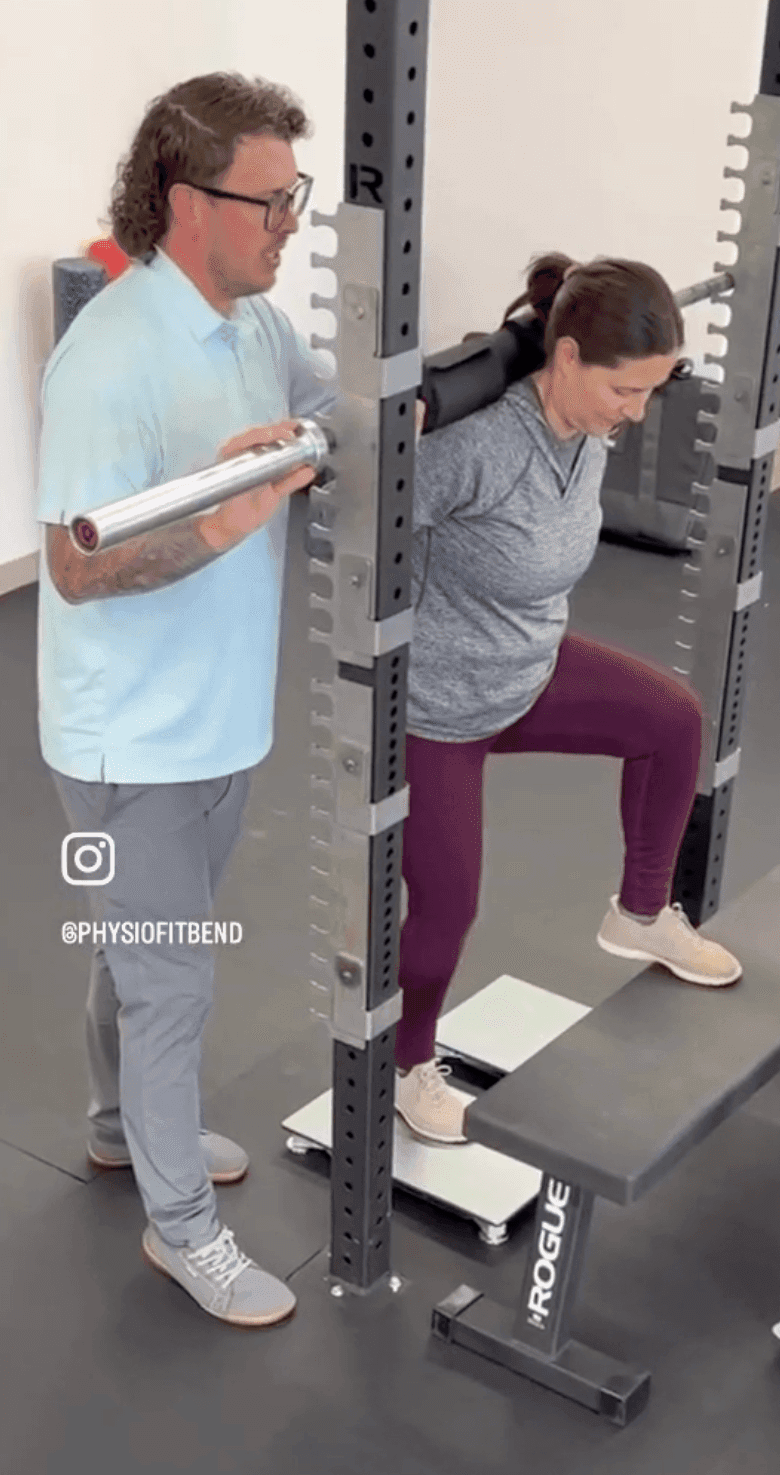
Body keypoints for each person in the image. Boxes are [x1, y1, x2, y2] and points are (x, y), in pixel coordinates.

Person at [37, 73, 336, 1328]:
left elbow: (324, 415)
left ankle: (119, 1127)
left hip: (216, 719)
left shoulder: (254, 322)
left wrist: (315, 447)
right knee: (175, 983)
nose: (288, 225)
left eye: (293, 199)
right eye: (268, 202)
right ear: (183, 201)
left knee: (150, 946)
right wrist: (225, 516)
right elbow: (76, 563)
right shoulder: (110, 356)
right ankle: (183, 1230)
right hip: (132, 739)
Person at [394, 253, 742, 1148]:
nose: (635, 415)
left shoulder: (584, 430)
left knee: (672, 719)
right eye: (625, 391)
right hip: (437, 708)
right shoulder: (473, 449)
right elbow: (346, 527)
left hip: (532, 671)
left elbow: (581, 298)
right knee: (449, 906)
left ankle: (639, 915)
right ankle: (405, 1065)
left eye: (651, 394)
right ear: (569, 356)